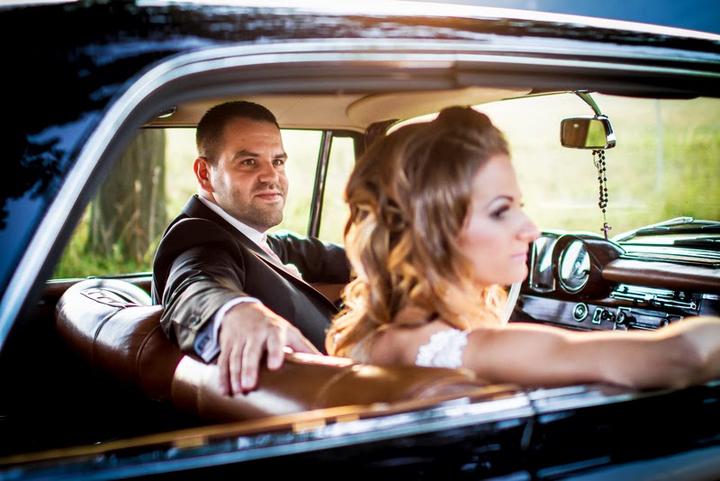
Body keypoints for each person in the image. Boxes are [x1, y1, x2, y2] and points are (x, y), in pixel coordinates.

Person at [327, 106, 720, 390]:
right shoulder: (478, 351)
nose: (531, 230)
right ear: (432, 231)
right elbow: (683, 356)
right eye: (501, 211)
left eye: (520, 207)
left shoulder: (364, 342)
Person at [153, 101, 350, 395]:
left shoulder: (254, 239)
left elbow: (353, 258)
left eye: (278, 161)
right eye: (248, 162)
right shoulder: (198, 240)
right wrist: (234, 312)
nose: (271, 176)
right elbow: (193, 286)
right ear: (205, 173)